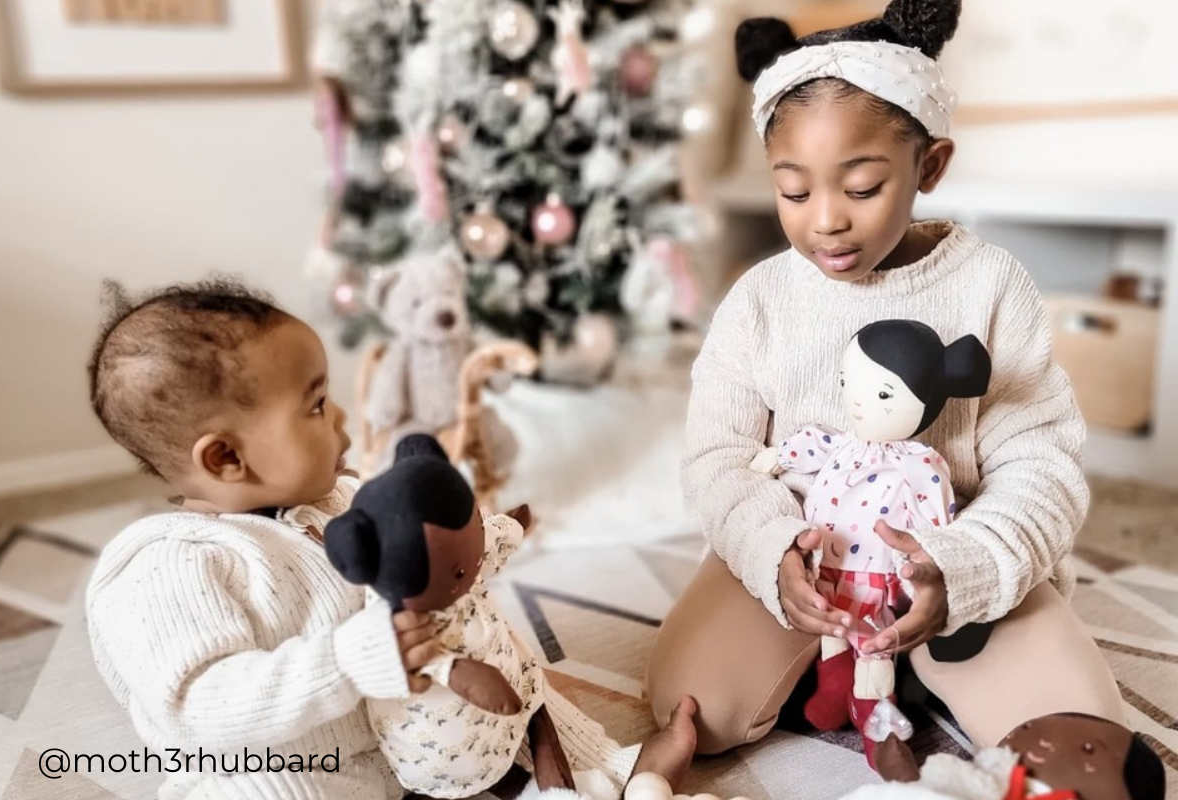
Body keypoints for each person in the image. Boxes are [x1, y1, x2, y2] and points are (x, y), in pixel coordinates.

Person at [644, 0, 1125, 769]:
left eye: (862, 188)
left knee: (1088, 744)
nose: (825, 220)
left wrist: (964, 568)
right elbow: (718, 459)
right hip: (811, 565)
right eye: (794, 192)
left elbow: (1043, 469)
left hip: (949, 568)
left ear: (928, 166)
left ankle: (916, 668)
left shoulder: (992, 286)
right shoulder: (762, 300)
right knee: (692, 711)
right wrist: (773, 557)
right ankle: (845, 668)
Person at [84, 279, 695, 800]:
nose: (343, 418)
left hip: (404, 740)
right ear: (225, 457)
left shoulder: (341, 498)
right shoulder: (168, 566)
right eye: (317, 405)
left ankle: (608, 769)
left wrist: (480, 536)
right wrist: (351, 659)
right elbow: (200, 704)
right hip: (289, 768)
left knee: (495, 651)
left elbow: (430, 574)